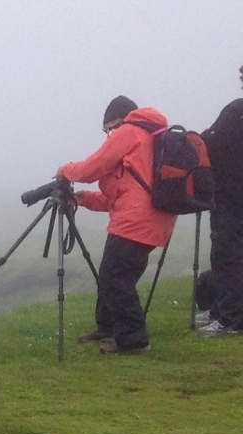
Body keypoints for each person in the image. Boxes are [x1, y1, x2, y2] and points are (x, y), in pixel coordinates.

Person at [60, 96, 177, 355]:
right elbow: (122, 196)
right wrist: (84, 199)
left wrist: (65, 170)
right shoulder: (149, 138)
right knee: (113, 274)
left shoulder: (130, 132)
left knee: (116, 277)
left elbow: (92, 168)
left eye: (109, 129)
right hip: (152, 218)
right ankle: (109, 326)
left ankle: (134, 339)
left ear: (120, 120)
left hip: (136, 221)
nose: (108, 136)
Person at [199, 65, 243, 338]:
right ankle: (222, 310)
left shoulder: (236, 111)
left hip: (230, 198)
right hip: (232, 197)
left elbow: (209, 143)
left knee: (227, 257)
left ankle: (230, 318)